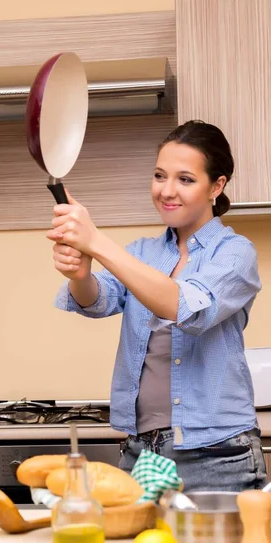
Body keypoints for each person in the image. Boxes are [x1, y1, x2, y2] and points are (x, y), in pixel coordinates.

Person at [47, 120, 267, 492]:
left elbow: (184, 307)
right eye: (159, 175)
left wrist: (97, 242)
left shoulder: (234, 254)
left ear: (217, 186)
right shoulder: (143, 253)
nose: (167, 191)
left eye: (185, 179)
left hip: (216, 456)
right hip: (140, 453)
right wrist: (81, 273)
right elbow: (96, 300)